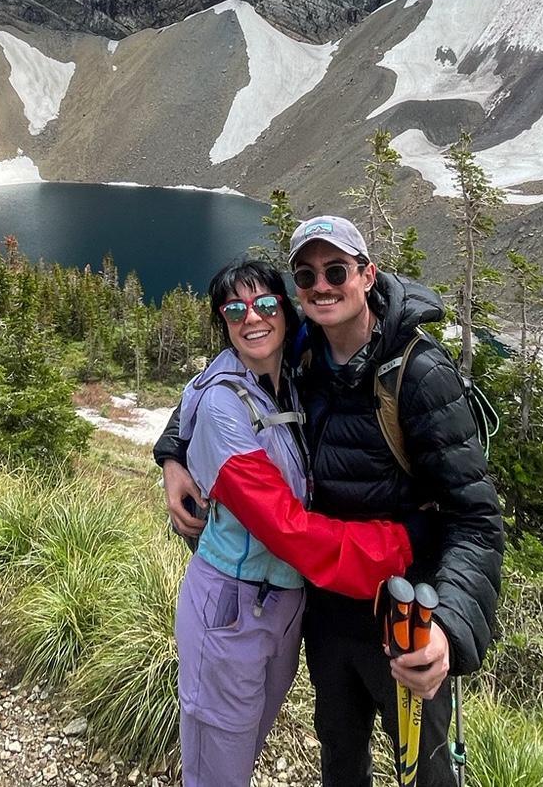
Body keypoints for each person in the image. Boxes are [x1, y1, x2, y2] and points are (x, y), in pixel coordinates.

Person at [157, 218, 504, 787]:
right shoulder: (304, 349)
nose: (322, 285)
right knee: (340, 759)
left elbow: (475, 519)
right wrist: (173, 451)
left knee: (427, 773)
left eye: (337, 271)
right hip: (325, 614)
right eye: (306, 275)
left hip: (404, 614)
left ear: (367, 275)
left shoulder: (418, 374)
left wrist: (448, 626)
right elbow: (218, 381)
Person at [175, 258, 428, 787]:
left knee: (243, 744)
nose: (252, 319)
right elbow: (286, 528)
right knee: (218, 763)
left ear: (286, 314)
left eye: (266, 304)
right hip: (231, 609)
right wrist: (402, 544)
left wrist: (169, 454)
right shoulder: (225, 403)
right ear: (222, 322)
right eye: (234, 310)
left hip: (284, 609)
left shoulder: (288, 375)